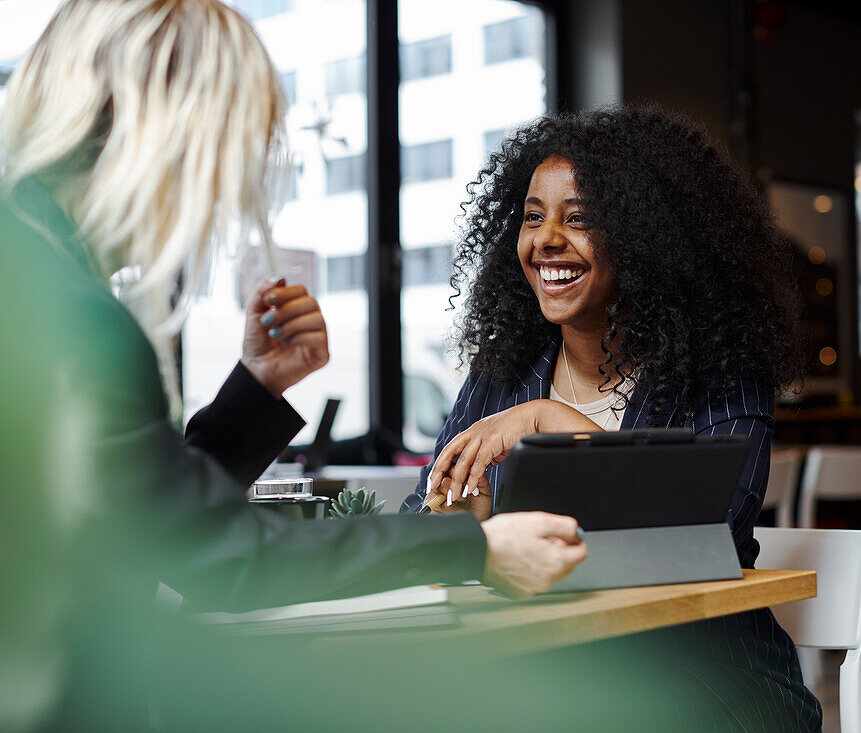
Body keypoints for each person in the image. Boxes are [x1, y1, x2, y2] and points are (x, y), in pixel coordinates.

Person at [0, 1, 586, 729]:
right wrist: (472, 545)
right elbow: (210, 556)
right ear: (155, 133)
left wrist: (257, 387)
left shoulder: (36, 276)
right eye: (219, 162)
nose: (216, 203)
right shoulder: (71, 316)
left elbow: (145, 510)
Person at [401, 106, 821, 731]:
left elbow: (707, 535)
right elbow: (419, 518)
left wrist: (551, 419)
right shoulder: (505, 370)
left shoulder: (721, 369)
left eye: (578, 220)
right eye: (533, 218)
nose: (545, 240)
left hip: (705, 672)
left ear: (646, 236)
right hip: (543, 660)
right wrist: (467, 519)